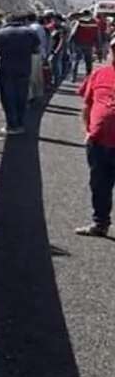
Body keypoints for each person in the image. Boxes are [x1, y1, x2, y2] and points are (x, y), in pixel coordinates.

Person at [75, 38, 115, 237]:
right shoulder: (99, 73)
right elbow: (87, 105)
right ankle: (100, 224)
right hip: (98, 143)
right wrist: (88, 132)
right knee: (99, 185)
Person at [0, 12, 41, 136]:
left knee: (8, 97)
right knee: (22, 97)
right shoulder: (30, 33)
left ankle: (11, 125)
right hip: (24, 69)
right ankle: (20, 124)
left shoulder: (1, 32)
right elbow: (36, 50)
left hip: (6, 70)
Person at [73, 10, 101, 81]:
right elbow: (97, 36)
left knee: (76, 61)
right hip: (89, 45)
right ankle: (88, 77)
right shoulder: (95, 23)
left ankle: (74, 77)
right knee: (88, 61)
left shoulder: (79, 22)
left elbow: (73, 33)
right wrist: (98, 47)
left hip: (78, 44)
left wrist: (70, 43)